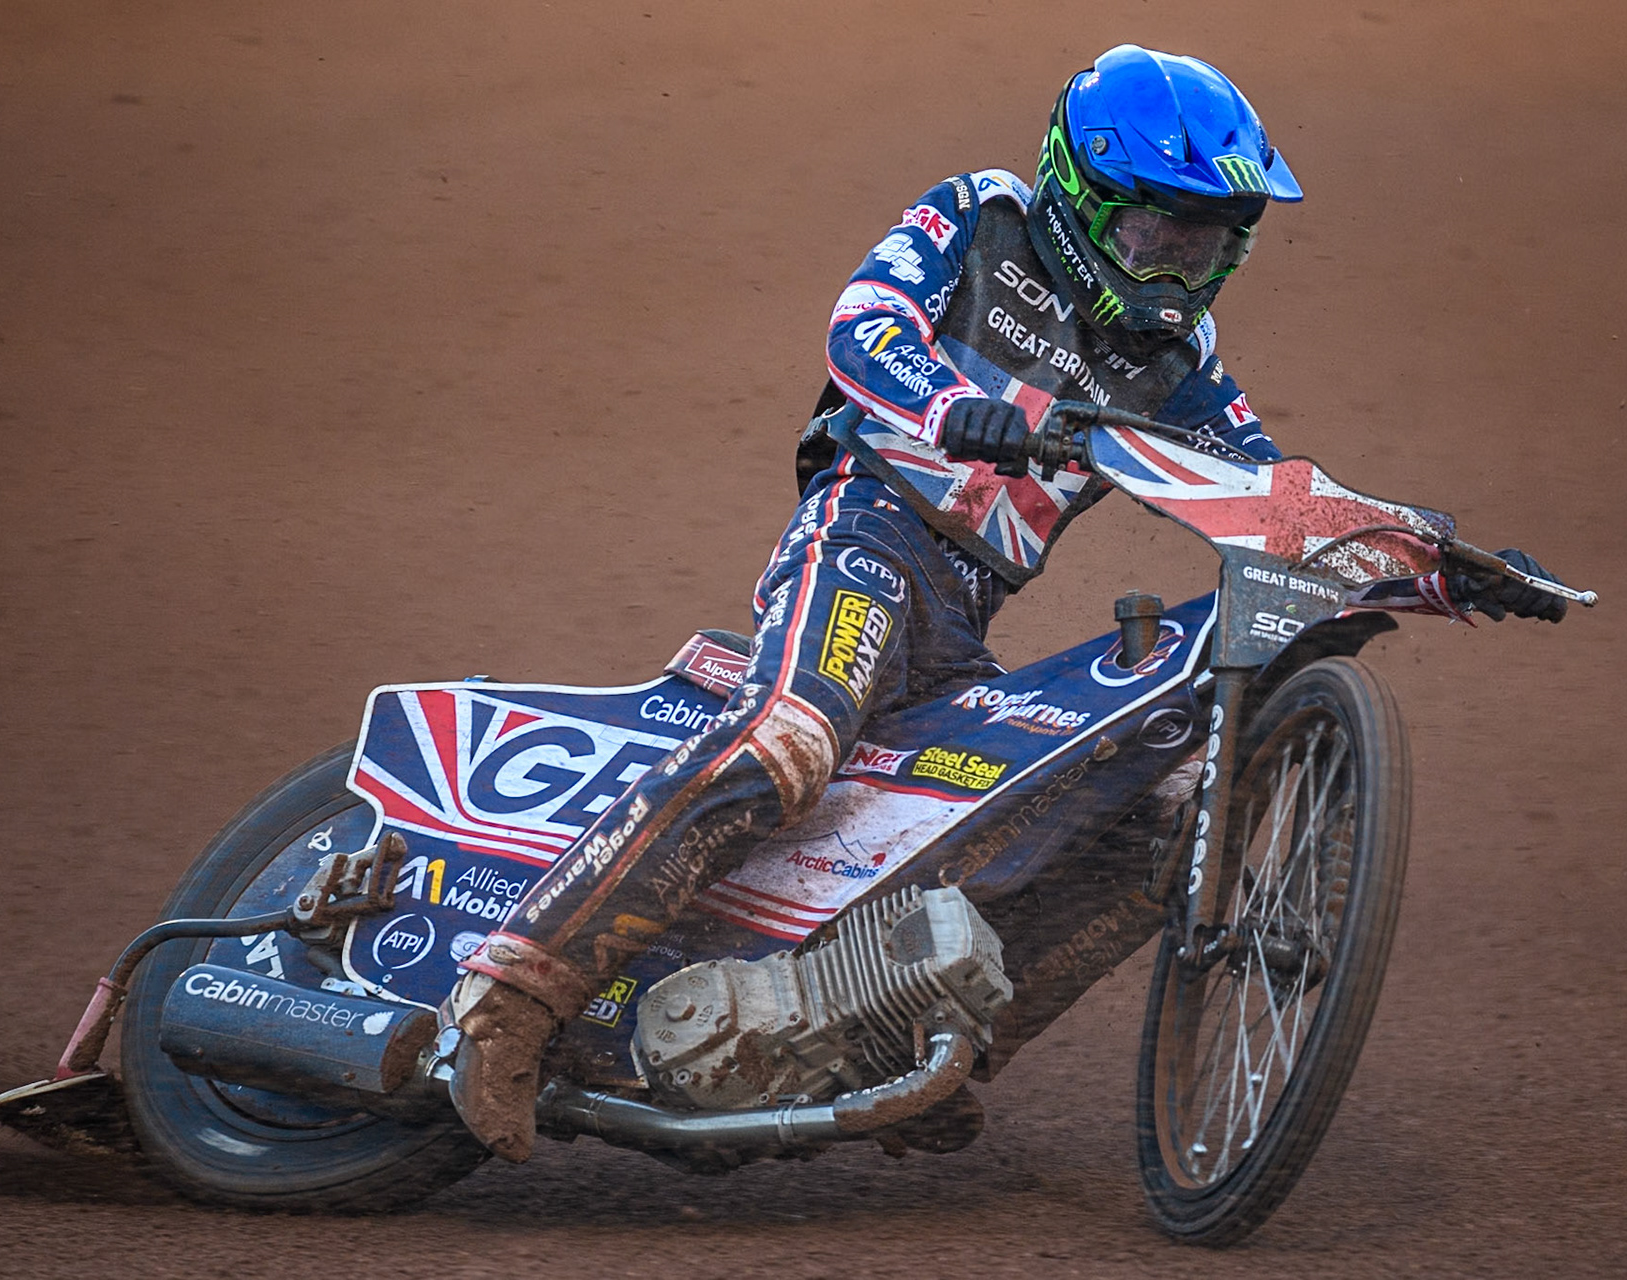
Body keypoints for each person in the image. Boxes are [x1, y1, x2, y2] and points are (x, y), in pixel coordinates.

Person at [441, 44, 1566, 1161]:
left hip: (960, 627)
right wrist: (948, 406)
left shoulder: (1181, 360)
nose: (1175, 270)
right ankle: (515, 996)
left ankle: (936, 1050)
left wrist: (1431, 560)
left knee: (1149, 812)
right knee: (791, 735)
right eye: (1155, 235)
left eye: (1205, 244)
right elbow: (860, 328)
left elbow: (1267, 498)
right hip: (867, 537)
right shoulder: (980, 220)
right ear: (1080, 197)